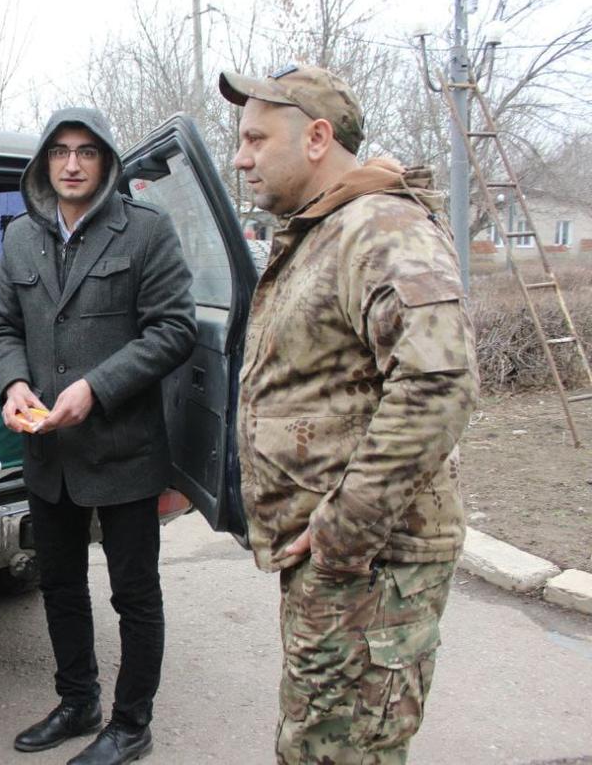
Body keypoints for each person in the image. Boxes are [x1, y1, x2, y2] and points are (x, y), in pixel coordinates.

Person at [220, 64, 478, 764]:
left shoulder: (381, 226)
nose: (240, 157)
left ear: (317, 139)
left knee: (340, 751)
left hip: (371, 564)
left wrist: (340, 532)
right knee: (318, 742)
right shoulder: (324, 229)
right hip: (344, 565)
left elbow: (440, 384)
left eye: (254, 138)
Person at [0, 108, 198, 765]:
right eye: (60, 152)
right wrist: (13, 385)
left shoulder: (145, 232)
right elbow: (4, 329)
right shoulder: (21, 236)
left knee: (133, 592)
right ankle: (78, 700)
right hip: (47, 451)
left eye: (85, 151)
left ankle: (132, 723)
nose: (72, 164)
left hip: (123, 448)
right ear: (44, 163)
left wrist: (95, 389)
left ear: (105, 160)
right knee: (59, 584)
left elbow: (173, 330)